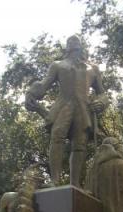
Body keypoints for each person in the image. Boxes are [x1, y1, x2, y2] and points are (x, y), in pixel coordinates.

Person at [25, 35, 108, 187]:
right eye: (70, 42)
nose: (74, 44)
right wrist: (30, 93)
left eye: (76, 42)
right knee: (57, 137)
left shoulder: (93, 68)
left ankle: (75, 184)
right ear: (67, 47)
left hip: (83, 109)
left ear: (81, 47)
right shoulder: (58, 65)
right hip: (64, 106)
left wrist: (101, 103)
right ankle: (54, 181)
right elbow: (43, 86)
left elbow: (102, 93)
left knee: (79, 145)